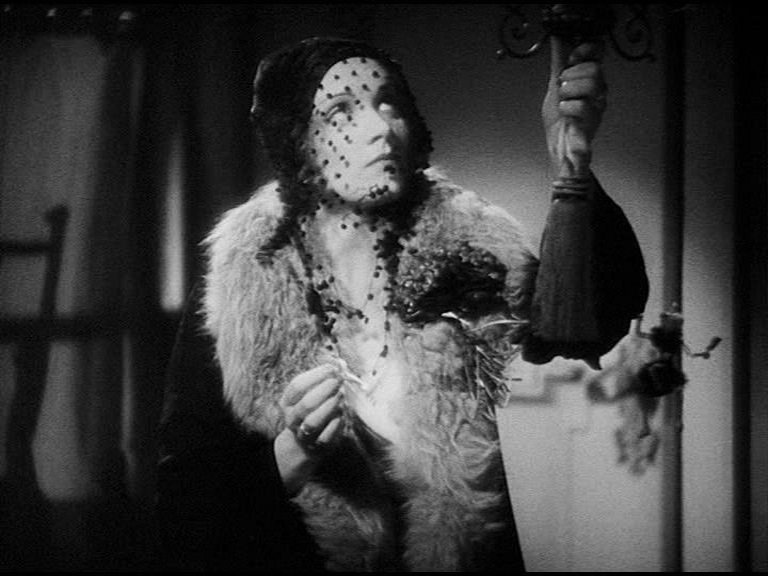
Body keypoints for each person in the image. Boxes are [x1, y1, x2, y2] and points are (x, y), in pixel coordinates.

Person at [154, 36, 648, 572]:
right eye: (341, 111)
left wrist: (570, 163)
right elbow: (185, 499)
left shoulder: (465, 240)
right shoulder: (246, 277)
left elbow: (583, 325)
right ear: (295, 137)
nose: (380, 127)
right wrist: (291, 455)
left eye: (388, 102)